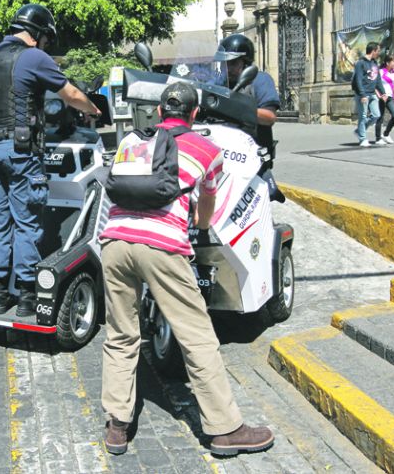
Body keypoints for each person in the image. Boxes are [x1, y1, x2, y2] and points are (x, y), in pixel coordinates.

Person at [99, 81, 275, 457]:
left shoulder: (132, 142)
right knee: (197, 336)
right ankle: (225, 430)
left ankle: (117, 425)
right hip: (161, 249)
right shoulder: (206, 150)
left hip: (114, 241)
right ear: (195, 116)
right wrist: (196, 220)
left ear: (160, 112)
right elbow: (205, 213)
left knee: (121, 334)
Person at [0, 3, 101, 317]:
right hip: (19, 152)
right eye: (46, 38)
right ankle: (28, 295)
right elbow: (70, 94)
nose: (46, 44)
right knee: (26, 223)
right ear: (39, 33)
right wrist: (93, 109)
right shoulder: (32, 57)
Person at [211, 34, 279, 156]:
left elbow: (269, 118)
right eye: (225, 64)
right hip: (225, 152)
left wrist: (236, 107)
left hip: (253, 154)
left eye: (233, 63)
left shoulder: (260, 80)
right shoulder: (220, 82)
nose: (228, 68)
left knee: (264, 176)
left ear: (246, 62)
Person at [351, 42, 386, 147]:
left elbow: (378, 80)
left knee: (376, 115)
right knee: (362, 116)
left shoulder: (375, 63)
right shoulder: (360, 63)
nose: (379, 53)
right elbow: (358, 80)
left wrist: (383, 92)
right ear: (373, 51)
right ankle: (362, 139)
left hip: (372, 94)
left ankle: (359, 131)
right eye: (378, 51)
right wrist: (362, 95)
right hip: (363, 94)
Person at [375, 54, 394, 145]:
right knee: (380, 117)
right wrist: (378, 95)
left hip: (390, 97)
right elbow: (375, 84)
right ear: (388, 63)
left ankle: (386, 134)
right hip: (381, 97)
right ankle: (378, 138)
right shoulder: (380, 72)